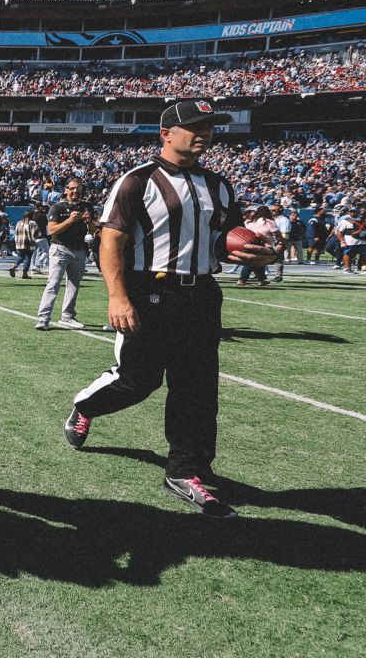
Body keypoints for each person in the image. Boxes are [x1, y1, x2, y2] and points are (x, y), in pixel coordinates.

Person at [65, 99, 276, 519]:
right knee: (137, 381)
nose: (204, 134)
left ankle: (185, 470)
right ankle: (86, 406)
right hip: (150, 290)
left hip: (200, 294)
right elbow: (112, 241)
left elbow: (223, 240)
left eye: (209, 127)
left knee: (198, 388)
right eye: (193, 127)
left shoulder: (218, 184)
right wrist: (117, 295)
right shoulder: (137, 181)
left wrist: (253, 254)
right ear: (166, 133)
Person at [35, 179, 92, 330]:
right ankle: (43, 318)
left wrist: (90, 221)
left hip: (79, 249)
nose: (75, 192)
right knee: (53, 284)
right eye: (72, 189)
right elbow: (52, 230)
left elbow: (94, 230)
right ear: (66, 190)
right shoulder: (57, 207)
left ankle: (67, 316)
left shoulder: (86, 207)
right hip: (60, 249)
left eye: (78, 189)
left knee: (74, 286)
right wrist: (71, 220)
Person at [8, 208, 39, 279]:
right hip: (28, 242)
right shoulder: (32, 223)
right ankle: (25, 273)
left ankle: (14, 266)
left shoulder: (19, 222)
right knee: (28, 258)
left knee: (21, 257)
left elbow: (15, 232)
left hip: (19, 243)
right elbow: (37, 233)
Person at [336, 206, 365, 273]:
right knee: (348, 254)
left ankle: (364, 268)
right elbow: (339, 232)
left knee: (364, 255)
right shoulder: (344, 221)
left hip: (362, 240)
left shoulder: (362, 219)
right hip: (350, 241)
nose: (352, 213)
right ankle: (347, 268)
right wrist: (342, 241)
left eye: (354, 212)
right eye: (351, 211)